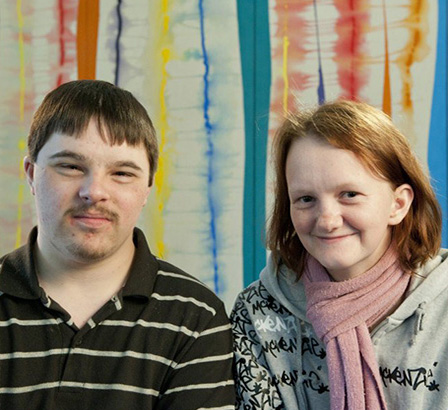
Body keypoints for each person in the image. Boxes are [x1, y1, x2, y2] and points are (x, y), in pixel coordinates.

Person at [0, 80, 235, 409]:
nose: (94, 191)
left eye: (122, 173)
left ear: (148, 187)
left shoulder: (196, 319)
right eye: (70, 166)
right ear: (30, 173)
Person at [231, 100, 447, 409]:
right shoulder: (256, 313)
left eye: (349, 195)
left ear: (398, 204)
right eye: (306, 199)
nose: (327, 220)